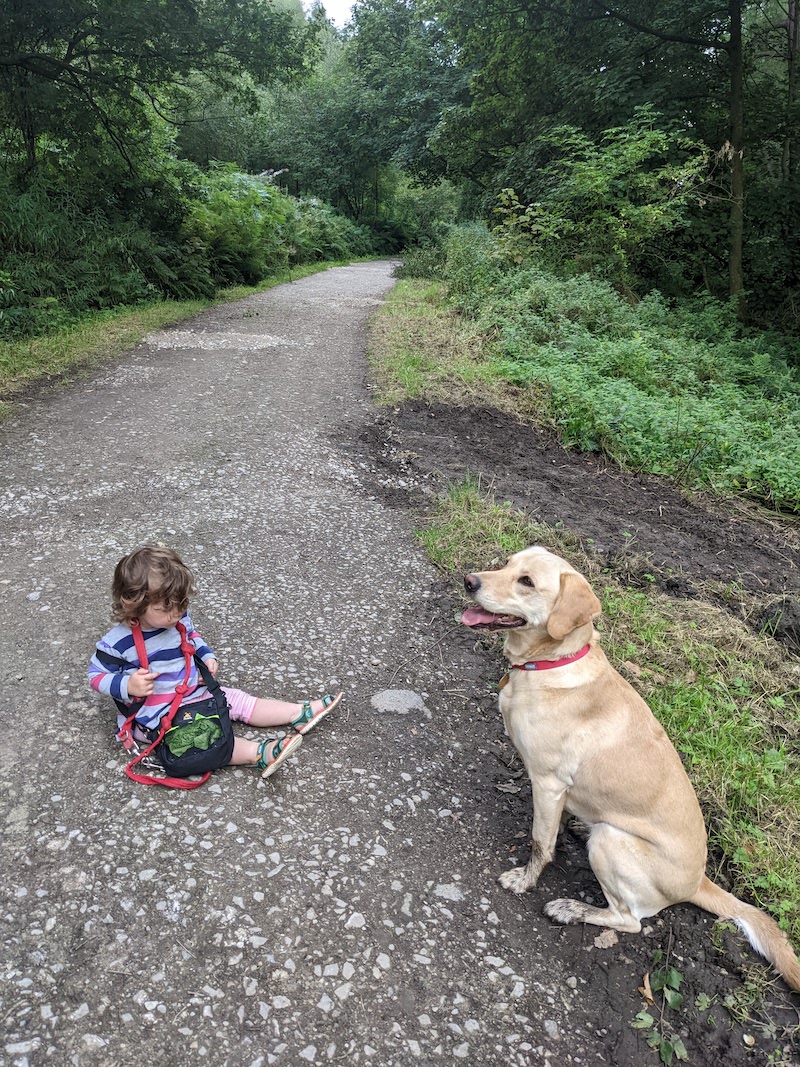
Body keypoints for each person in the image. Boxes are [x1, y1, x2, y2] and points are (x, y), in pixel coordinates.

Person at [88, 545, 342, 778]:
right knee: (203, 736)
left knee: (237, 700)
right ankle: (260, 754)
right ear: (133, 603)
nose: (176, 613)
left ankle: (298, 713)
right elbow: (96, 676)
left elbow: (191, 637)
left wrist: (206, 655)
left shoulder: (176, 617)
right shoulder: (118, 642)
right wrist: (127, 685)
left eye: (182, 604)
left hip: (192, 690)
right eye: (166, 608)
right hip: (156, 716)